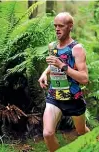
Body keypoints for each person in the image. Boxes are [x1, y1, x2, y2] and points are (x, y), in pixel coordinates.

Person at [38, 12, 90, 152]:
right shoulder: (52, 46)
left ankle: (95, 146)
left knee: (82, 132)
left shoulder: (77, 49)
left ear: (70, 27)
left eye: (61, 26)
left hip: (73, 98)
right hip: (54, 96)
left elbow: (84, 78)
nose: (57, 29)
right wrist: (44, 73)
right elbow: (53, 64)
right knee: (47, 134)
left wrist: (62, 66)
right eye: (55, 26)